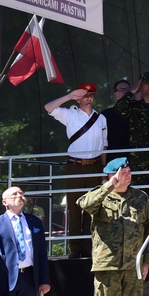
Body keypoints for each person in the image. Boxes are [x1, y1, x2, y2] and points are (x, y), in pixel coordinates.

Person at [79, 157, 149, 296]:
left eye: (130, 172)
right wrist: (110, 185)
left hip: (134, 267)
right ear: (112, 175)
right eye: (124, 174)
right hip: (108, 267)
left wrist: (147, 261)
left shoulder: (141, 198)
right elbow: (85, 204)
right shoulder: (100, 196)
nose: (129, 177)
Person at [44, 82, 108, 257]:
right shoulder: (70, 115)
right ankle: (75, 248)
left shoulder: (101, 119)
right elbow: (48, 107)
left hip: (94, 166)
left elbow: (104, 146)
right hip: (74, 166)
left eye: (91, 96)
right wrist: (69, 96)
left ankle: (88, 247)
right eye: (85, 96)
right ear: (79, 99)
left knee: (92, 207)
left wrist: (104, 170)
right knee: (74, 207)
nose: (89, 99)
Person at [100, 79, 134, 151]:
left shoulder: (137, 111)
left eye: (127, 89)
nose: (125, 91)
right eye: (122, 89)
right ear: (115, 93)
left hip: (133, 155)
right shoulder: (105, 115)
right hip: (113, 155)